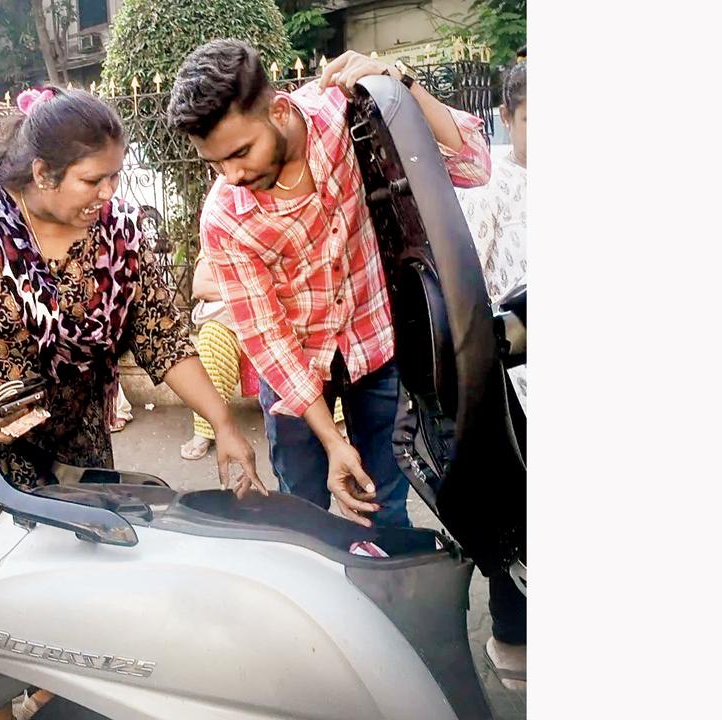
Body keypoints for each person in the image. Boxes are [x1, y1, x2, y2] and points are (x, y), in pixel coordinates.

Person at [0, 85, 265, 712]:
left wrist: (225, 423)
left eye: (115, 178)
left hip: (67, 466)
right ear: (42, 173)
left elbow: (163, 338)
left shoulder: (119, 240)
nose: (108, 195)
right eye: (92, 181)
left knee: (65, 628)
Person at [167, 40, 491, 528]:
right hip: (294, 376)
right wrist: (333, 440)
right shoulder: (226, 217)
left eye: (239, 153)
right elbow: (267, 338)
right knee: (302, 513)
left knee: (383, 508)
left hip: (377, 349)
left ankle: (386, 597)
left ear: (278, 110)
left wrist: (397, 84)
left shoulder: (349, 115)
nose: (230, 175)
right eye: (215, 164)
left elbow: (474, 164)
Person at [457, 54, 527, 691]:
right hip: (514, 380)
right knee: (518, 513)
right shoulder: (491, 186)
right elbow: (468, 281)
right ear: (507, 117)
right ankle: (512, 635)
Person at [182, 253, 345, 460]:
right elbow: (202, 286)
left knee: (318, 338)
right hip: (236, 319)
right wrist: (258, 294)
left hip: (288, 320)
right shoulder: (224, 227)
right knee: (211, 338)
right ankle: (208, 427)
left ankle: (335, 425)